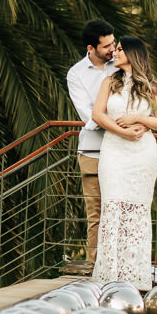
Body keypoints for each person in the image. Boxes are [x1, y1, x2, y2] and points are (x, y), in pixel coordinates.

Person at [90, 36, 157, 288]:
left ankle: (134, 277)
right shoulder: (109, 83)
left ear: (133, 54)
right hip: (113, 152)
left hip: (142, 155)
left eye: (120, 49)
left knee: (137, 212)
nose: (115, 52)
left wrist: (138, 118)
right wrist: (122, 131)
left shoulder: (154, 88)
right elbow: (98, 115)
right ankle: (109, 276)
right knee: (113, 208)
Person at [66, 20, 117, 261]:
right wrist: (118, 123)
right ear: (90, 48)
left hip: (122, 150)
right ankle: (95, 266)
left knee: (119, 210)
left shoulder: (121, 65)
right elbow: (88, 115)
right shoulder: (76, 74)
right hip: (93, 151)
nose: (112, 49)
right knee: (95, 213)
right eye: (106, 46)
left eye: (113, 43)